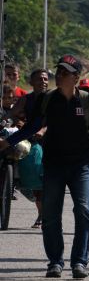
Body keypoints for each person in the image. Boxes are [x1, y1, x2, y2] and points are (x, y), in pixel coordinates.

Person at [0, 55, 89, 279]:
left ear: (76, 78)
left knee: (84, 211)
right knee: (50, 215)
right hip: (54, 165)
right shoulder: (48, 100)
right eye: (58, 72)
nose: (58, 76)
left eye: (64, 73)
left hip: (81, 167)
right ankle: (55, 262)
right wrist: (8, 142)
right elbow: (33, 126)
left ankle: (79, 262)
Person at [9, 69, 49, 227]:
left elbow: (54, 119)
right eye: (39, 79)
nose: (43, 82)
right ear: (31, 83)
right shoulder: (26, 99)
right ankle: (42, 214)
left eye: (45, 79)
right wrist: (9, 119)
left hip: (52, 141)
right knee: (36, 182)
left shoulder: (53, 98)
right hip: (32, 142)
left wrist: (43, 130)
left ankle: (45, 215)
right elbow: (11, 112)